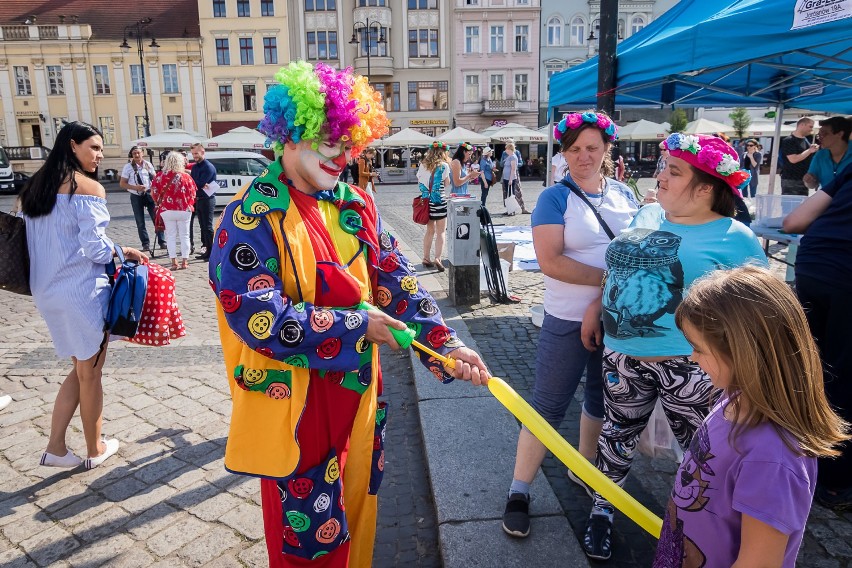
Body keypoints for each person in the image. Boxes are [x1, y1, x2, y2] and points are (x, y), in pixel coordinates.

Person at [209, 61, 490, 568]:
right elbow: (259, 317)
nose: (342, 156)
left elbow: (395, 281)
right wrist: (360, 325)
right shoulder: (250, 216)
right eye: (328, 139)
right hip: (296, 409)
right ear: (290, 132)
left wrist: (446, 345)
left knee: (360, 519)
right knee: (309, 547)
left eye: (348, 142)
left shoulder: (355, 204)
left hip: (360, 400)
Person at [581, 133, 767, 561]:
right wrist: (597, 306)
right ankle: (602, 511)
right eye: (663, 165)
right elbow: (618, 267)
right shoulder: (647, 212)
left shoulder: (734, 237)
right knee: (617, 434)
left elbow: (763, 312)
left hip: (692, 367)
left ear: (705, 189)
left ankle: (700, 531)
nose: (660, 174)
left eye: (673, 170)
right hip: (621, 356)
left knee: (703, 450)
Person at [654, 266, 849, 567]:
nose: (692, 358)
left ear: (745, 355)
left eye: (698, 348)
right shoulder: (734, 398)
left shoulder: (773, 459)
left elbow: (758, 562)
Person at [502, 111, 638, 539]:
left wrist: (609, 295)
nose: (583, 157)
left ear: (606, 150)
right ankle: (519, 490)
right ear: (564, 153)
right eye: (575, 149)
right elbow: (551, 261)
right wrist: (611, 280)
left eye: (592, 148)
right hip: (565, 316)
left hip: (618, 318)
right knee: (547, 403)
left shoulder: (624, 194)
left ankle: (584, 469)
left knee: (603, 398)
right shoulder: (553, 198)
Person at [19, 121, 147, 470]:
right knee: (91, 373)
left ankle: (56, 448)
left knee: (80, 369)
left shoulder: (34, 187)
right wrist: (125, 250)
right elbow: (95, 249)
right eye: (94, 147)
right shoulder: (87, 188)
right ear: (72, 145)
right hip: (80, 290)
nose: (100, 155)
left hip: (46, 290)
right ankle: (95, 448)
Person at [784, 162, 852, 511]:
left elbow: (793, 222)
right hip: (844, 275)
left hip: (813, 263)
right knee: (841, 375)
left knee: (810, 366)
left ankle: (794, 461)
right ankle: (834, 483)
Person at [151, 151, 197, 270]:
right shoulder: (186, 176)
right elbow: (193, 193)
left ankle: (173, 262)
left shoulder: (160, 176)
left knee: (170, 236)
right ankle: (185, 261)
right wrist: (189, 203)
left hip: (167, 209)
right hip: (184, 209)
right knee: (185, 235)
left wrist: (158, 202)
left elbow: (154, 192)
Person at [120, 146, 165, 254]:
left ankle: (162, 241)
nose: (136, 155)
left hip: (149, 194)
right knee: (140, 221)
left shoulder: (148, 164)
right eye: (134, 153)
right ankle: (145, 244)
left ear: (142, 153)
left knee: (156, 218)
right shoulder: (128, 167)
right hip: (136, 195)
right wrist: (136, 187)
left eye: (138, 153)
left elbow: (155, 179)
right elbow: (122, 184)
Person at [418, 141, 451, 272]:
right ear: (443, 153)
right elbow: (447, 184)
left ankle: (426, 258)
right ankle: (438, 258)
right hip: (440, 202)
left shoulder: (422, 165)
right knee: (441, 232)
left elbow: (420, 182)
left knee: (429, 231)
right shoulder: (444, 166)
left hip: (427, 202)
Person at [804, 116, 852, 191]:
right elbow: (812, 185)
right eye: (818, 135)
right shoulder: (820, 155)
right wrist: (808, 181)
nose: (819, 137)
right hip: (829, 201)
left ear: (840, 134)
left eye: (824, 134)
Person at [189, 143, 217, 261]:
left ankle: (212, 252)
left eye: (196, 153)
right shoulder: (195, 167)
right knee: (202, 227)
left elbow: (199, 182)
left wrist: (198, 183)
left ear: (202, 152)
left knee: (208, 227)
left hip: (208, 199)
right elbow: (193, 183)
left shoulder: (208, 167)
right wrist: (199, 184)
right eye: (193, 154)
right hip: (198, 199)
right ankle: (206, 250)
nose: (194, 156)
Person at [780, 117, 819, 196]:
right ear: (802, 125)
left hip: (803, 179)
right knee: (790, 206)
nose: (811, 129)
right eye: (810, 126)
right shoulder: (789, 140)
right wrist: (809, 151)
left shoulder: (806, 140)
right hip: (791, 180)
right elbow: (793, 159)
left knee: (802, 205)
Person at [501, 142, 530, 214]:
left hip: (512, 176)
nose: (505, 150)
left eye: (506, 148)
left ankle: (521, 208)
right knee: (507, 193)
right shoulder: (506, 154)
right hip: (506, 177)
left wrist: (511, 178)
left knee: (516, 192)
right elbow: (502, 164)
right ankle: (510, 209)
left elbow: (515, 167)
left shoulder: (515, 154)